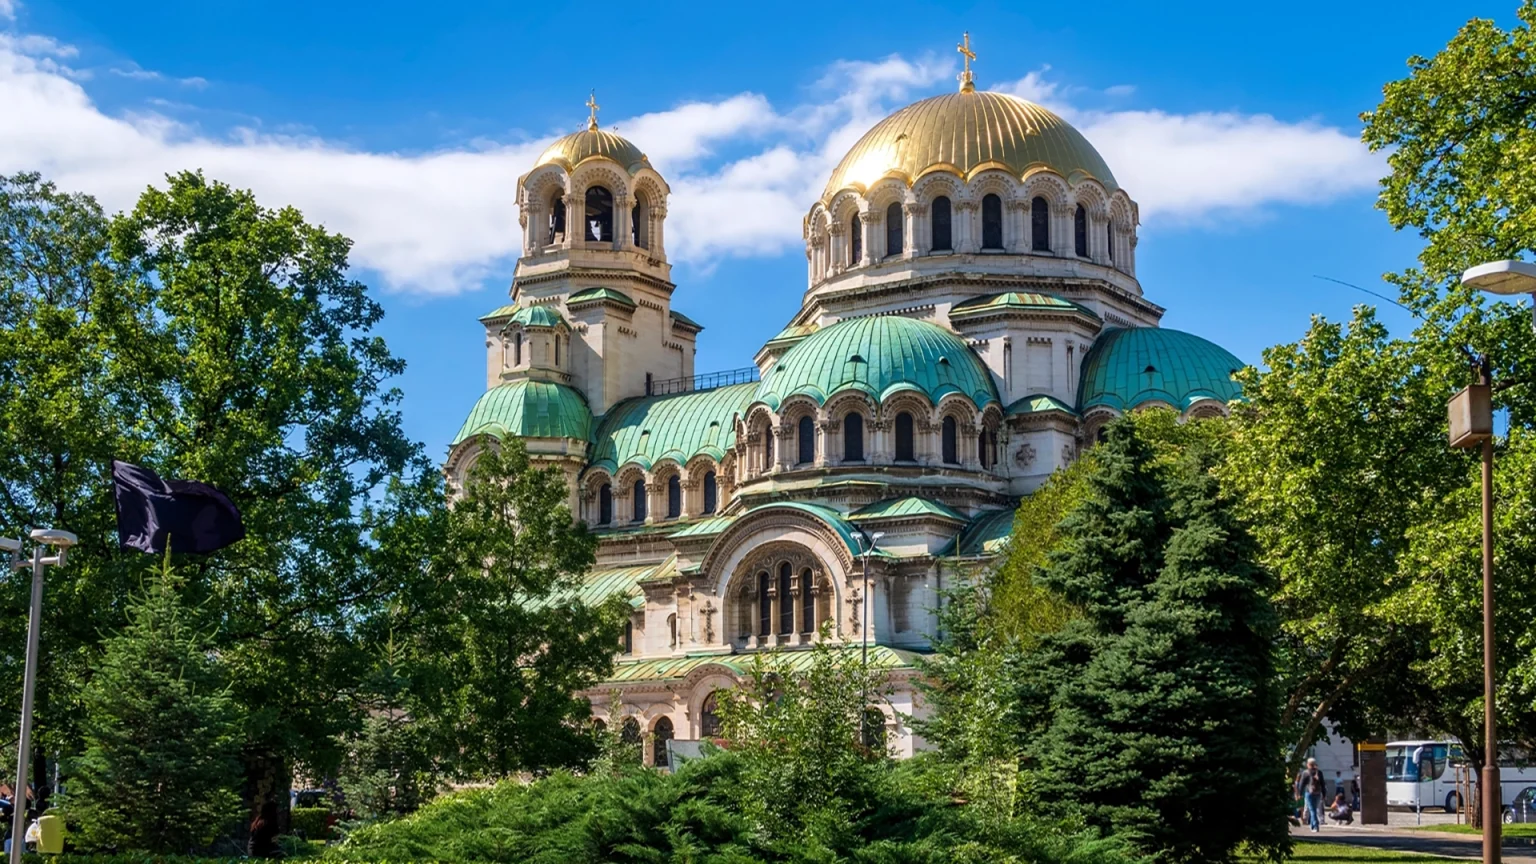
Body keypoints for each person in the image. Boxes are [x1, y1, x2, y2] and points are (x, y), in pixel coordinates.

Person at [1295, 757, 1327, 832]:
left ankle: (1315, 826)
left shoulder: (1306, 772)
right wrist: (1324, 794)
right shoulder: (1319, 772)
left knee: (1312, 810)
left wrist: (1299, 794)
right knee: (1314, 810)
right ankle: (1312, 826)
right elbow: (1323, 784)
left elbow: (1301, 784)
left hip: (1309, 793)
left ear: (1308, 764)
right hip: (1318, 793)